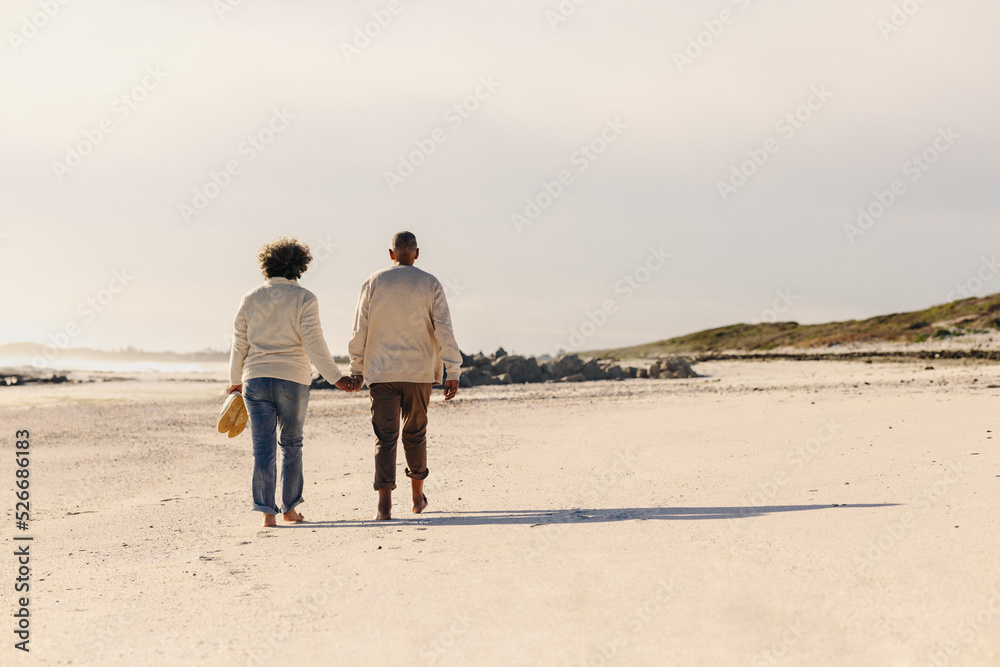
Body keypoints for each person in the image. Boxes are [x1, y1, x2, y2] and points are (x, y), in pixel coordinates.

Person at [228, 237, 358, 527]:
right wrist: (336, 378)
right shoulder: (304, 299)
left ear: (267, 265)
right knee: (291, 444)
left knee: (262, 449)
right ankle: (289, 510)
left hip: (255, 380)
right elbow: (314, 342)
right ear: (300, 266)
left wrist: (235, 381)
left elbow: (239, 344)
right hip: (293, 380)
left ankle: (267, 514)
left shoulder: (251, 298)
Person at [349, 231, 462, 520]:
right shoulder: (429, 282)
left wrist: (356, 368)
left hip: (381, 372)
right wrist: (453, 369)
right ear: (417, 253)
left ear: (390, 254)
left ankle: (384, 507)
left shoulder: (374, 281)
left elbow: (359, 328)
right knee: (415, 434)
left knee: (385, 437)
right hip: (419, 372)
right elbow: (444, 328)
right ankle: (415, 499)